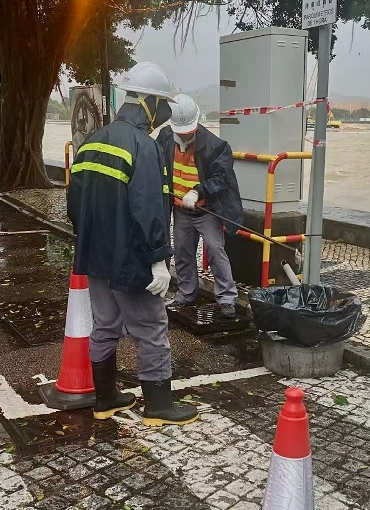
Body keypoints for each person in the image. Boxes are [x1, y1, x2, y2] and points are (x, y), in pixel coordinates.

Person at [67, 62, 198, 427]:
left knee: (105, 325)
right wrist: (158, 259)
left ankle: (105, 399)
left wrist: (92, 243)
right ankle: (158, 406)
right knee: (152, 329)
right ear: (150, 103)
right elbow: (148, 207)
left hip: (94, 258)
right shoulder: (144, 146)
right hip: (131, 259)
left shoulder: (90, 143)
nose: (162, 113)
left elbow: (74, 205)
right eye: (162, 105)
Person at [157, 94, 243, 319]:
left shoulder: (215, 146)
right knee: (182, 251)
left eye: (188, 132)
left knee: (215, 249)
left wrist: (198, 191)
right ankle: (187, 293)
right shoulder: (165, 138)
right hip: (180, 209)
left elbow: (222, 177)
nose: (184, 136)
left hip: (206, 210)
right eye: (180, 132)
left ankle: (227, 298)